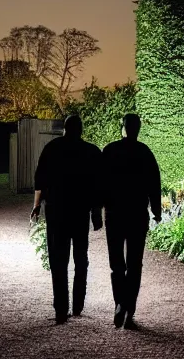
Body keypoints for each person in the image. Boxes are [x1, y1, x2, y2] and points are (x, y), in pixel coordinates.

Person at [31, 115, 102, 324]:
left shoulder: (51, 148)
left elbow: (39, 181)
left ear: (64, 129)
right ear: (81, 130)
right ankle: (78, 304)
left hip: (56, 213)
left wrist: (36, 206)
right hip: (80, 213)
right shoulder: (91, 152)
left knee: (58, 260)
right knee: (81, 258)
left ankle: (61, 308)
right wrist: (96, 213)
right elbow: (98, 185)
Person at [102, 113, 161, 330]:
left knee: (117, 264)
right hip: (137, 214)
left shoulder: (110, 150)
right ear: (138, 129)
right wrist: (156, 210)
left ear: (123, 128)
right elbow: (155, 183)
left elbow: (100, 182)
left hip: (114, 214)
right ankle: (129, 308)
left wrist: (96, 209)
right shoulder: (145, 152)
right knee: (135, 264)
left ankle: (119, 303)